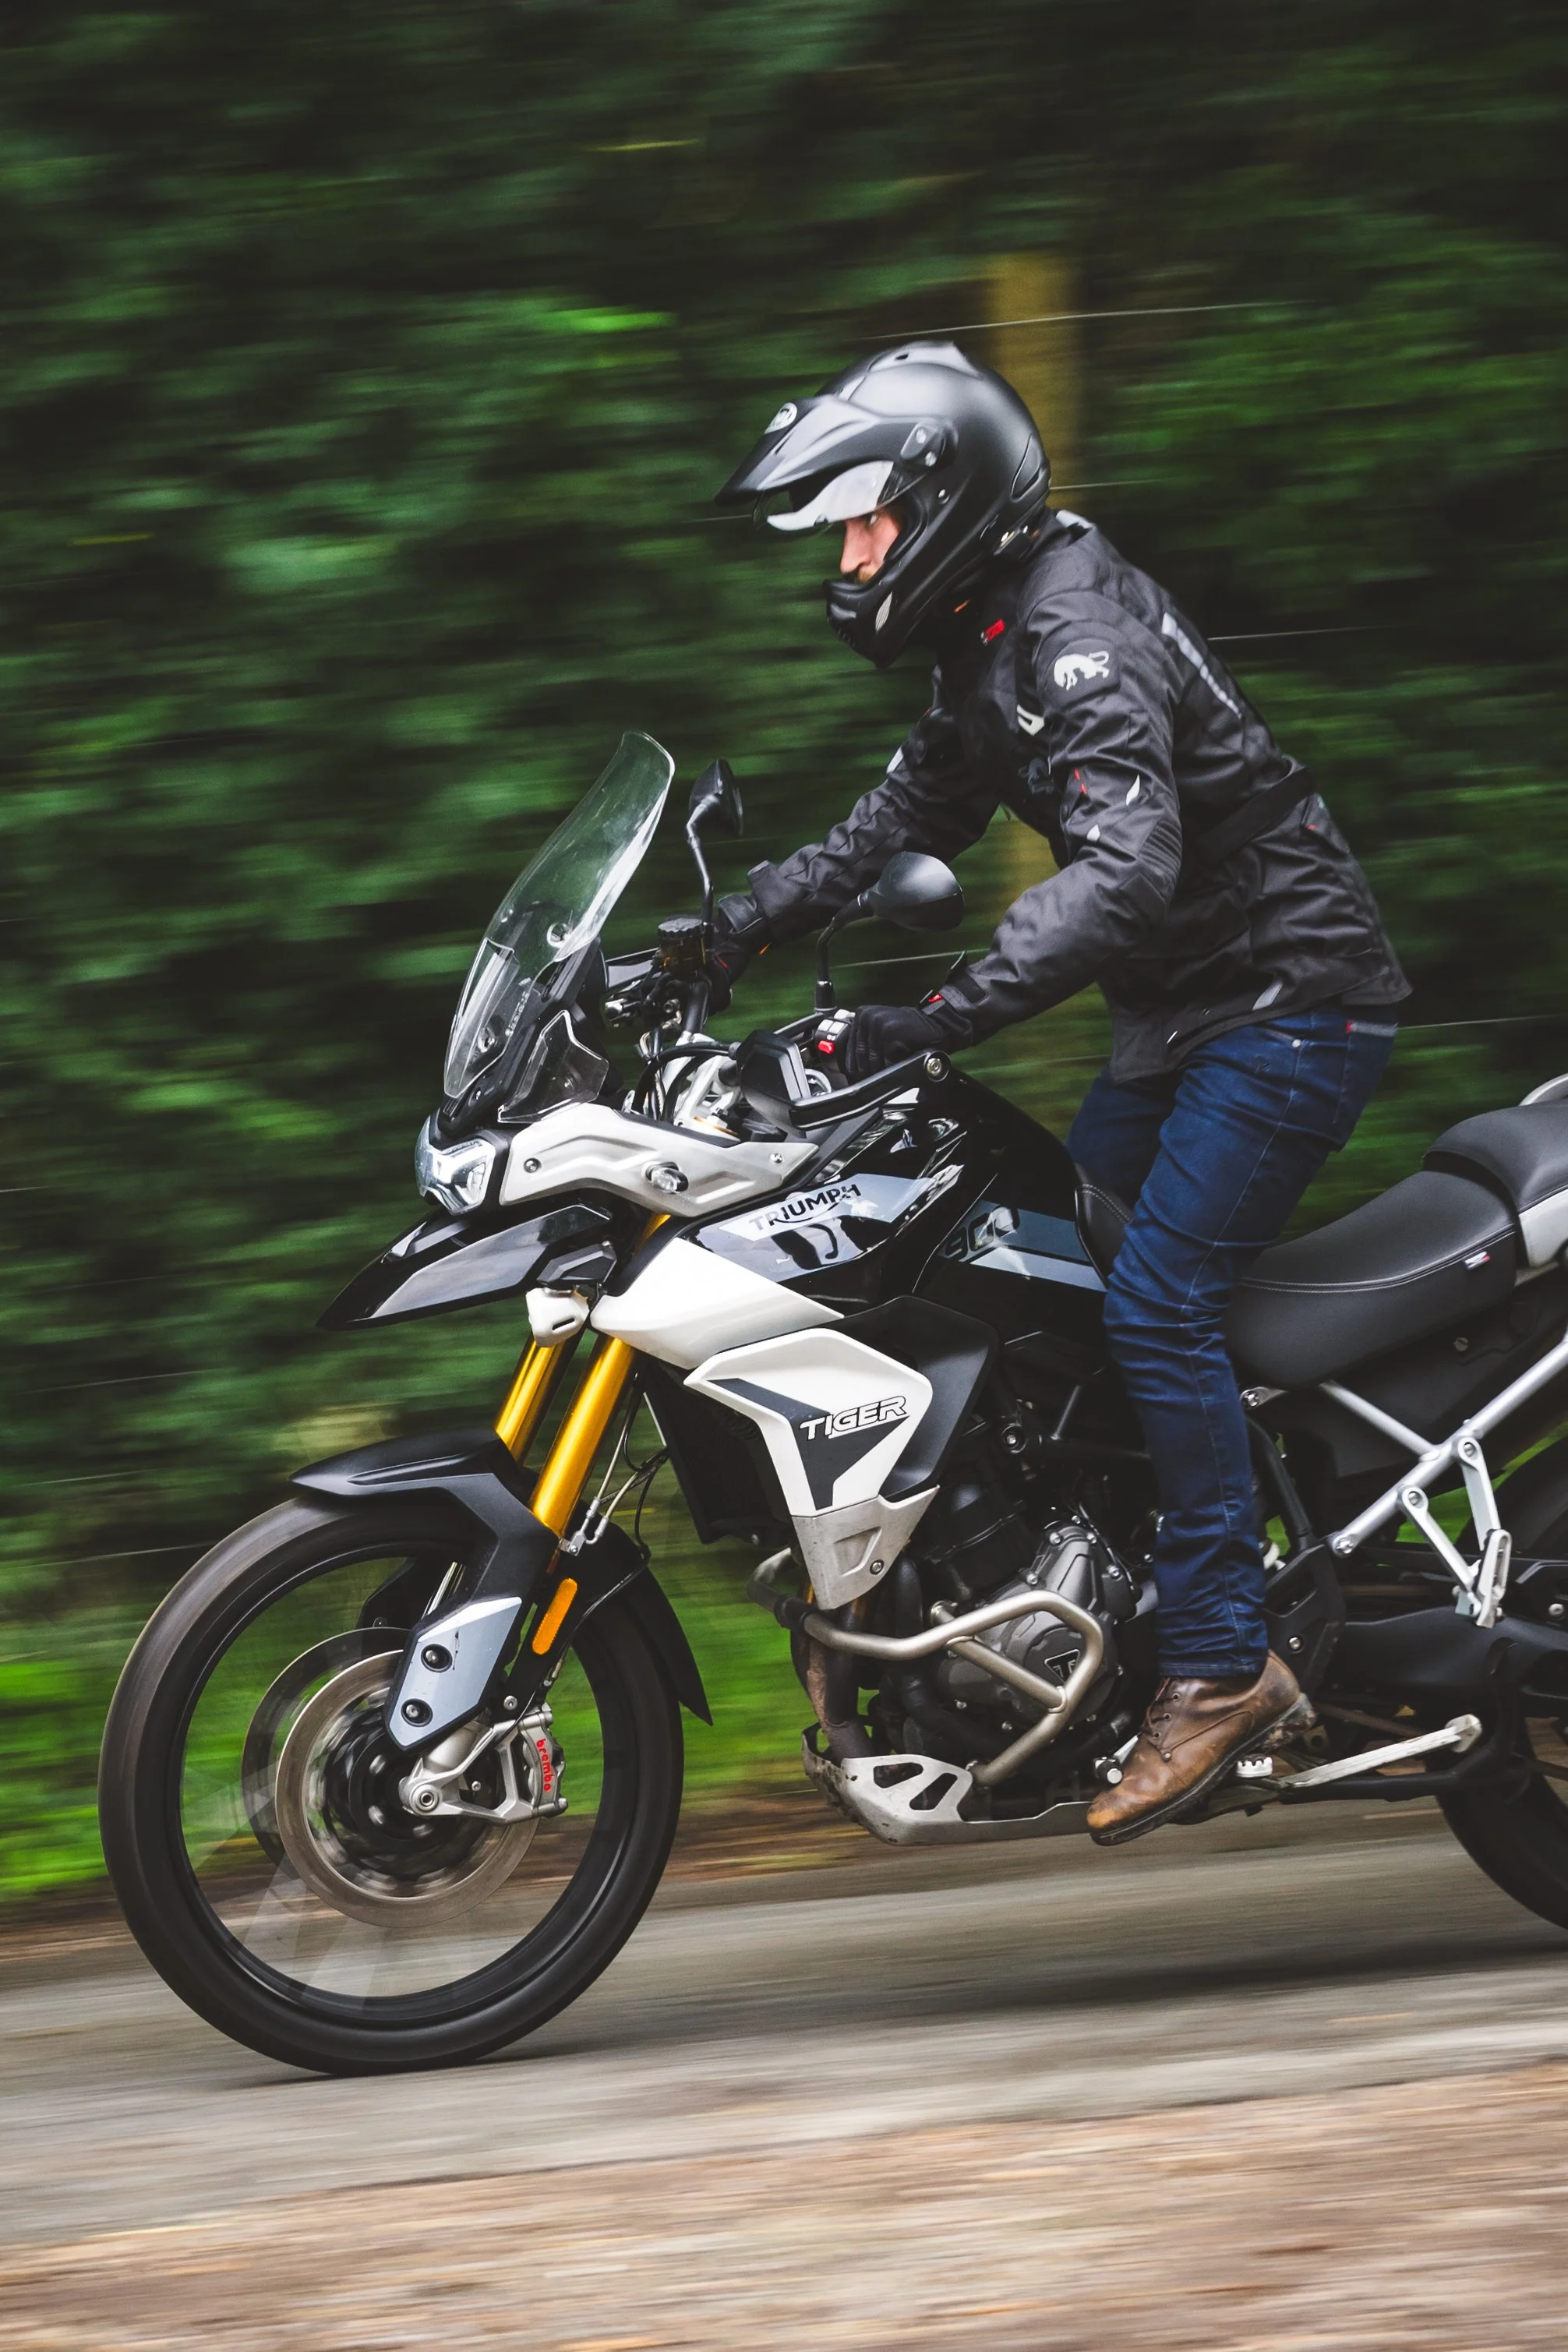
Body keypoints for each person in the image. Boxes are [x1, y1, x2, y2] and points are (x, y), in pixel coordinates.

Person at [711, 341, 1407, 1844]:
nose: (848, 557)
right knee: (1044, 1276)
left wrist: (939, 1017)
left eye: (864, 523)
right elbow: (897, 819)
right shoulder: (987, 635)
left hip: (1292, 1005)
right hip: (1187, 1021)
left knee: (1153, 1298)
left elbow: (1126, 870)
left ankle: (1221, 1664)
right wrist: (719, 934)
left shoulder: (1076, 628)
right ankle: (1107, 1610)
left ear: (944, 503)